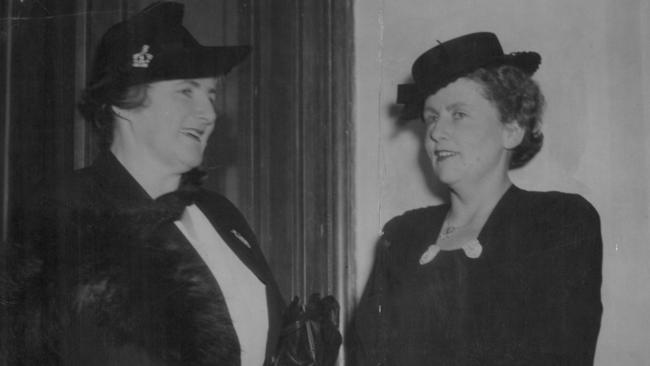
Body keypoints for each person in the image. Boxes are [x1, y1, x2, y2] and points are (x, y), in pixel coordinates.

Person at [5, 2, 284, 365]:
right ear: (122, 102)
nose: (208, 113)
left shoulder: (222, 215)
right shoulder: (66, 211)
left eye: (211, 94)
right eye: (186, 91)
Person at [350, 32, 603, 365]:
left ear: (511, 128)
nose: (436, 133)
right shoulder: (401, 236)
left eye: (459, 114)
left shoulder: (557, 221)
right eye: (431, 117)